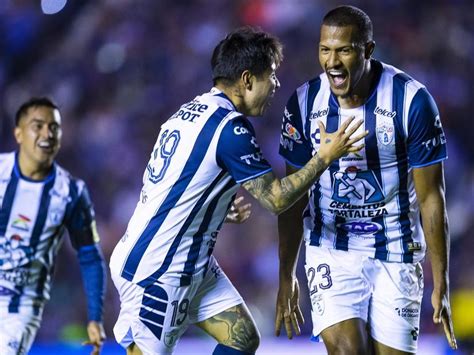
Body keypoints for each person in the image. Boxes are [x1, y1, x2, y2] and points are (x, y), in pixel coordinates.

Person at [109, 26, 367, 355]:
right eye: (270, 76)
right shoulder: (230, 128)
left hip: (188, 260)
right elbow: (275, 199)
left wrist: (210, 210)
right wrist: (324, 157)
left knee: (242, 337)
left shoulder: (187, 113)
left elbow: (169, 186)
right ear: (247, 80)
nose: (275, 85)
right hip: (161, 271)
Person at [275, 5, 457, 354]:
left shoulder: (412, 102)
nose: (333, 62)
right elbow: (293, 197)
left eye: (344, 50)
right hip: (331, 249)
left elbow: (432, 198)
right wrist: (286, 275)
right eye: (325, 50)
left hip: (397, 250)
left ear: (367, 51)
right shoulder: (303, 103)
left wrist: (442, 280)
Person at [0, 97, 107, 355]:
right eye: (38, 126)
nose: (47, 133)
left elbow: (90, 257)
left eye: (54, 128)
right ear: (18, 133)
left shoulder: (71, 192)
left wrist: (95, 317)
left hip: (20, 309)